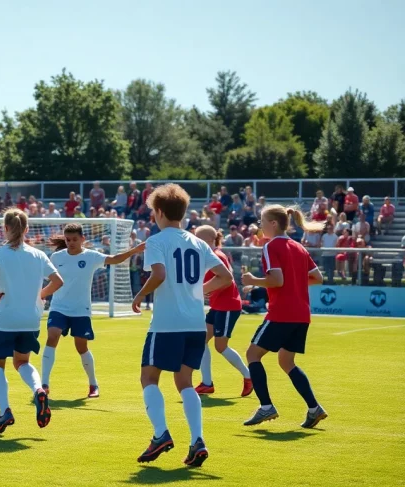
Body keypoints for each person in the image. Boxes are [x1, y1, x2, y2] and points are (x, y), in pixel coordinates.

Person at [131, 184, 233, 467]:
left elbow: (160, 274)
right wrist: (197, 292)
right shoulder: (199, 242)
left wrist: (140, 295)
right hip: (195, 325)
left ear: (159, 212)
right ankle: (197, 440)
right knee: (185, 382)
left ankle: (160, 434)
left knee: (149, 379)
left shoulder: (157, 240)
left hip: (166, 324)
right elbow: (226, 277)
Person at [0, 209, 64, 435]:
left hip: (6, 318)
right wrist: (40, 295)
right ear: (26, 230)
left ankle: (4, 410)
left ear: (5, 228)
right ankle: (38, 390)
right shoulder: (38, 255)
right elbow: (58, 281)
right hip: (31, 318)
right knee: (22, 362)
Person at [241, 205, 327, 428]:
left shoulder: (271, 247)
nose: (260, 226)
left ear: (273, 223)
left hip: (282, 313)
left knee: (252, 354)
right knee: (286, 361)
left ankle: (266, 407)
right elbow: (317, 277)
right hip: (301, 314)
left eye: (262, 221)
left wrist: (253, 281)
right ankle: (314, 408)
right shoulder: (298, 247)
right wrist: (295, 282)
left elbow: (277, 280)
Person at [41, 224, 145, 397]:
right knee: (52, 336)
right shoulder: (56, 257)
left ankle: (93, 384)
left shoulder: (91, 256)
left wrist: (134, 250)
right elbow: (47, 278)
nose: (71, 243)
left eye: (75, 239)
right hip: (58, 307)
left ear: (83, 239)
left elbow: (115, 258)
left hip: (81, 310)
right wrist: (41, 295)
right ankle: (44, 384)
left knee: (81, 347)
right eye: (68, 240)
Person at [193, 226, 252, 397]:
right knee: (201, 340)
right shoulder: (211, 254)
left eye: (198, 239)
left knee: (220, 346)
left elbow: (227, 280)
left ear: (209, 240)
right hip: (218, 305)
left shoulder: (216, 255)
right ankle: (207, 383)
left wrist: (202, 290)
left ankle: (249, 376)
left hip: (228, 306)